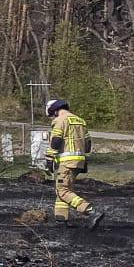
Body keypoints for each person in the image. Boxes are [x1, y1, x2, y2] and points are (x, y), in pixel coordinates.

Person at [45, 98, 104, 229]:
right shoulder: (80, 121)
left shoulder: (60, 120)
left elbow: (56, 141)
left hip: (66, 162)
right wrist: (83, 158)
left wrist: (49, 158)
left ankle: (91, 211)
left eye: (52, 114)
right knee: (64, 189)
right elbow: (88, 144)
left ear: (55, 111)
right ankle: (61, 219)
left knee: (63, 191)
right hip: (78, 161)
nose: (52, 117)